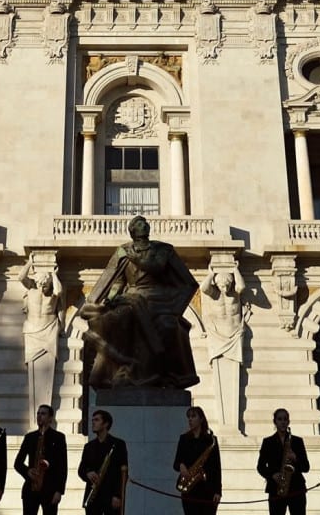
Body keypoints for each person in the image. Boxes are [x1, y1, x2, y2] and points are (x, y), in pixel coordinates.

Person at [81, 216, 201, 389]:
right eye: (138, 223)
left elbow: (182, 280)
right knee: (115, 320)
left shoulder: (164, 250)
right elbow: (117, 281)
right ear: (132, 231)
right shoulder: (123, 252)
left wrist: (175, 309)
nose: (143, 225)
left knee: (168, 325)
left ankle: (163, 375)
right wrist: (112, 298)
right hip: (131, 297)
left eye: (144, 223)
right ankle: (125, 369)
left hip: (159, 299)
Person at [15, 404, 69, 515]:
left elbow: (62, 466)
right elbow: (17, 463)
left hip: (50, 489)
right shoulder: (29, 437)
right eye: (38, 413)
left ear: (50, 418)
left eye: (43, 414)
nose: (39, 416)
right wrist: (28, 471)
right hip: (31, 488)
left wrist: (59, 491)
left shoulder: (59, 437)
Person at [255, 408, 310, 515]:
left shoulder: (297, 441)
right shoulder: (268, 442)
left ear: (288, 421)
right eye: (279, 419)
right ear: (275, 422)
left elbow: (306, 467)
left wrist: (295, 458)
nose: (283, 422)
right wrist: (272, 475)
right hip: (276, 489)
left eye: (285, 419)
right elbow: (260, 466)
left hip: (296, 488)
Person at [173, 406, 223, 515]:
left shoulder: (211, 440)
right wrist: (181, 466)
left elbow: (216, 467)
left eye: (193, 416)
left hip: (207, 490)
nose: (190, 419)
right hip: (189, 490)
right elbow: (176, 463)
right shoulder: (184, 439)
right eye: (189, 417)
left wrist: (218, 491)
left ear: (201, 419)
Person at [78, 410, 129, 515]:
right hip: (93, 497)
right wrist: (88, 473)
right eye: (92, 420)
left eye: (97, 420)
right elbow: (81, 469)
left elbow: (123, 473)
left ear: (106, 424)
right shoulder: (89, 446)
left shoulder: (118, 444)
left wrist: (117, 495)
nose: (93, 423)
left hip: (110, 497)